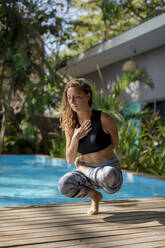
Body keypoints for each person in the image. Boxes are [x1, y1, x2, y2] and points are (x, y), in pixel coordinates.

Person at [58, 78, 123, 215]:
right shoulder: (70, 124)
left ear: (88, 95)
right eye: (69, 98)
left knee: (108, 175)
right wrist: (76, 137)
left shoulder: (104, 118)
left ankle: (84, 169)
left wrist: (83, 166)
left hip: (108, 174)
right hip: (87, 176)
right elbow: (70, 159)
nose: (73, 102)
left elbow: (115, 143)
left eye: (77, 97)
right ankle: (95, 196)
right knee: (64, 185)